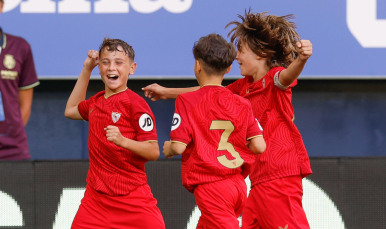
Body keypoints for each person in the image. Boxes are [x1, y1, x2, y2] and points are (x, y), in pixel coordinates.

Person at [143, 11, 313, 229]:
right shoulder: (242, 87)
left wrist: (302, 59)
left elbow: (289, 76)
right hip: (258, 179)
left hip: (280, 175)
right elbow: (208, 90)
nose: (236, 57)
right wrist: (167, 92)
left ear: (260, 54)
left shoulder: (275, 78)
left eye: (241, 50)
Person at [162, 33, 266, 229]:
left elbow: (178, 147)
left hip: (211, 185)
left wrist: (168, 149)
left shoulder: (187, 100)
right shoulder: (242, 103)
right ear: (228, 68)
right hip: (237, 185)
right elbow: (259, 146)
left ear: (197, 66)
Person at [64, 38, 166, 229]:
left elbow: (153, 151)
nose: (112, 68)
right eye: (105, 62)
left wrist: (123, 141)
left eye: (119, 62)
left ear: (132, 68)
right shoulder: (95, 102)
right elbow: (70, 110)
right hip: (96, 201)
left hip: (132, 199)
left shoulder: (136, 104)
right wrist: (87, 68)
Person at [0, 0, 40, 160]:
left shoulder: (20, 47)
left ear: (2, 6)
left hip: (12, 149)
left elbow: (25, 105)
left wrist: (10, 134)